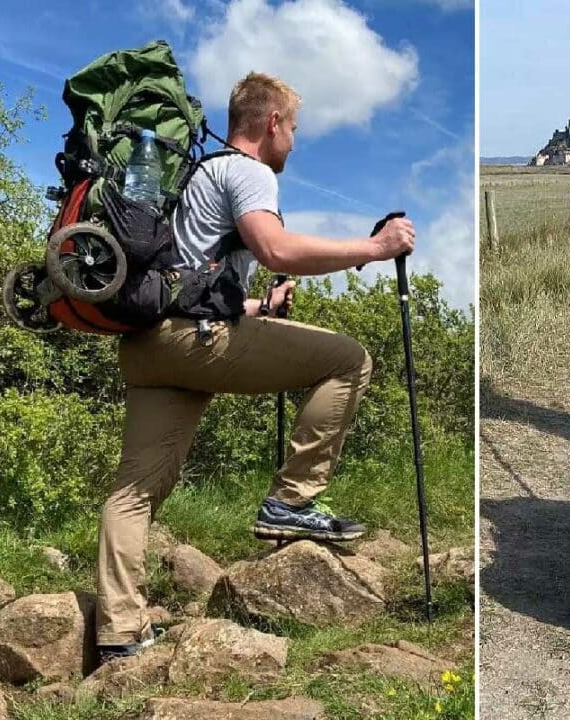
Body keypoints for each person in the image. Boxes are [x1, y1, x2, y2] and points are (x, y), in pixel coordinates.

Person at [95, 72, 415, 660]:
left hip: (149, 343)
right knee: (348, 359)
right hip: (197, 343)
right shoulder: (248, 171)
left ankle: (119, 632)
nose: (294, 141)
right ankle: (292, 501)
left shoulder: (195, 174)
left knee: (135, 490)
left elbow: (188, 280)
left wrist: (256, 305)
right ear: (272, 124)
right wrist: (376, 248)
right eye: (293, 129)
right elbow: (276, 249)